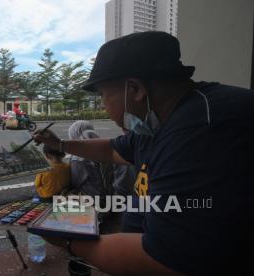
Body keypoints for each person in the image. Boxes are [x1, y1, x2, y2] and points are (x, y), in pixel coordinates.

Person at [33, 31, 254, 275]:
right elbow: (114, 149)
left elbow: (163, 260)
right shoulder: (160, 120)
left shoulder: (199, 131)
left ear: (135, 89)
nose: (105, 107)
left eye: (104, 97)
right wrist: (61, 145)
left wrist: (67, 240)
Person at [67, 120, 115, 197]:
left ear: (73, 134)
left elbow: (76, 183)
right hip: (111, 195)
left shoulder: (78, 157)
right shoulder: (104, 146)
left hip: (92, 199)